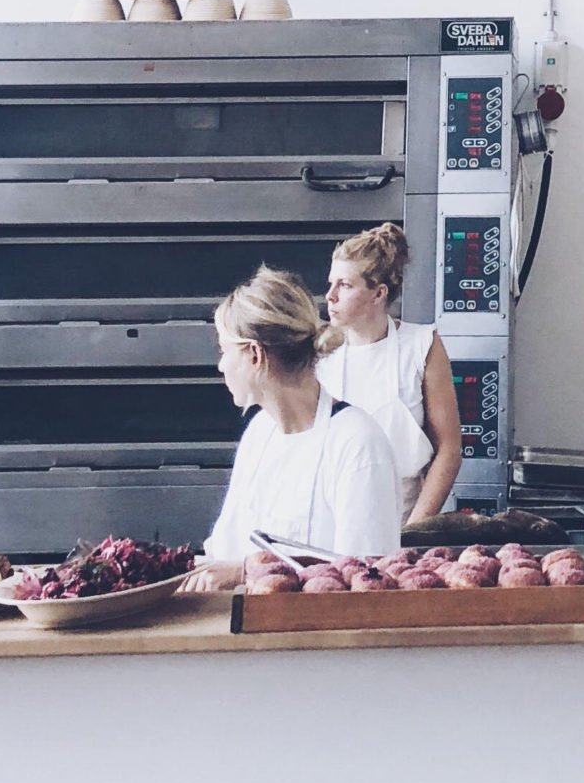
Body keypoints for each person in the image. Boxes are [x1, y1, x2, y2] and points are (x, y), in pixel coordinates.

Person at [182, 266, 400, 591]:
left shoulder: (357, 442)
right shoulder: (259, 433)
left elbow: (367, 579)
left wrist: (244, 572)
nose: (220, 365)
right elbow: (226, 548)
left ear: (255, 355)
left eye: (224, 351)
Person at [317, 223, 464, 529]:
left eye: (344, 285)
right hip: (328, 527)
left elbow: (449, 449)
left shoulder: (422, 345)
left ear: (378, 293)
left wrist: (413, 532)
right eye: (331, 283)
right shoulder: (318, 352)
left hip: (402, 523)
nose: (329, 296)